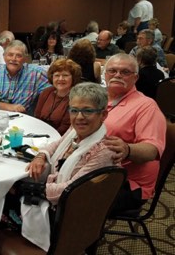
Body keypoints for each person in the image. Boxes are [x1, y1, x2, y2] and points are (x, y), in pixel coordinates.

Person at [20, 83, 115, 250]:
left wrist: (31, 189)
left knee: (3, 198)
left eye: (88, 111)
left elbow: (71, 190)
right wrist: (41, 156)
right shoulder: (74, 130)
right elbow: (56, 144)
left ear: (103, 114)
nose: (79, 117)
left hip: (67, 216)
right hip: (57, 200)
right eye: (74, 110)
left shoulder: (103, 151)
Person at [103, 54, 166, 213]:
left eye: (125, 72)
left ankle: (83, 235)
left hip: (129, 184)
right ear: (105, 74)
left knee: (69, 201)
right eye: (112, 71)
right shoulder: (100, 99)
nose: (117, 75)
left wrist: (127, 149)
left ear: (135, 78)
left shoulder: (146, 106)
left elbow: (151, 150)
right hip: (99, 171)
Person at [0, 40, 50, 114]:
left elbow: (54, 92)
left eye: (19, 56)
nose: (14, 59)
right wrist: (10, 107)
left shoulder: (36, 74)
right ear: (4, 56)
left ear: (25, 59)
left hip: (24, 119)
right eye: (10, 55)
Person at [34, 59, 82, 135]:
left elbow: (65, 128)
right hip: (39, 134)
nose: (60, 79)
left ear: (73, 77)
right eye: (57, 75)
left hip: (59, 137)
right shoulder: (47, 92)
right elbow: (37, 116)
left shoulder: (75, 98)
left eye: (65, 75)